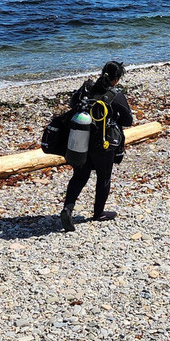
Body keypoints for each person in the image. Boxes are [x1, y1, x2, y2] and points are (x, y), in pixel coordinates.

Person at [60, 61, 133, 231]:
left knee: (79, 176)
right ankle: (98, 213)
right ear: (117, 79)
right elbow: (128, 120)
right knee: (104, 177)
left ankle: (67, 209)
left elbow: (72, 105)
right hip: (103, 145)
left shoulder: (87, 89)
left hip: (80, 141)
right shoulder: (115, 95)